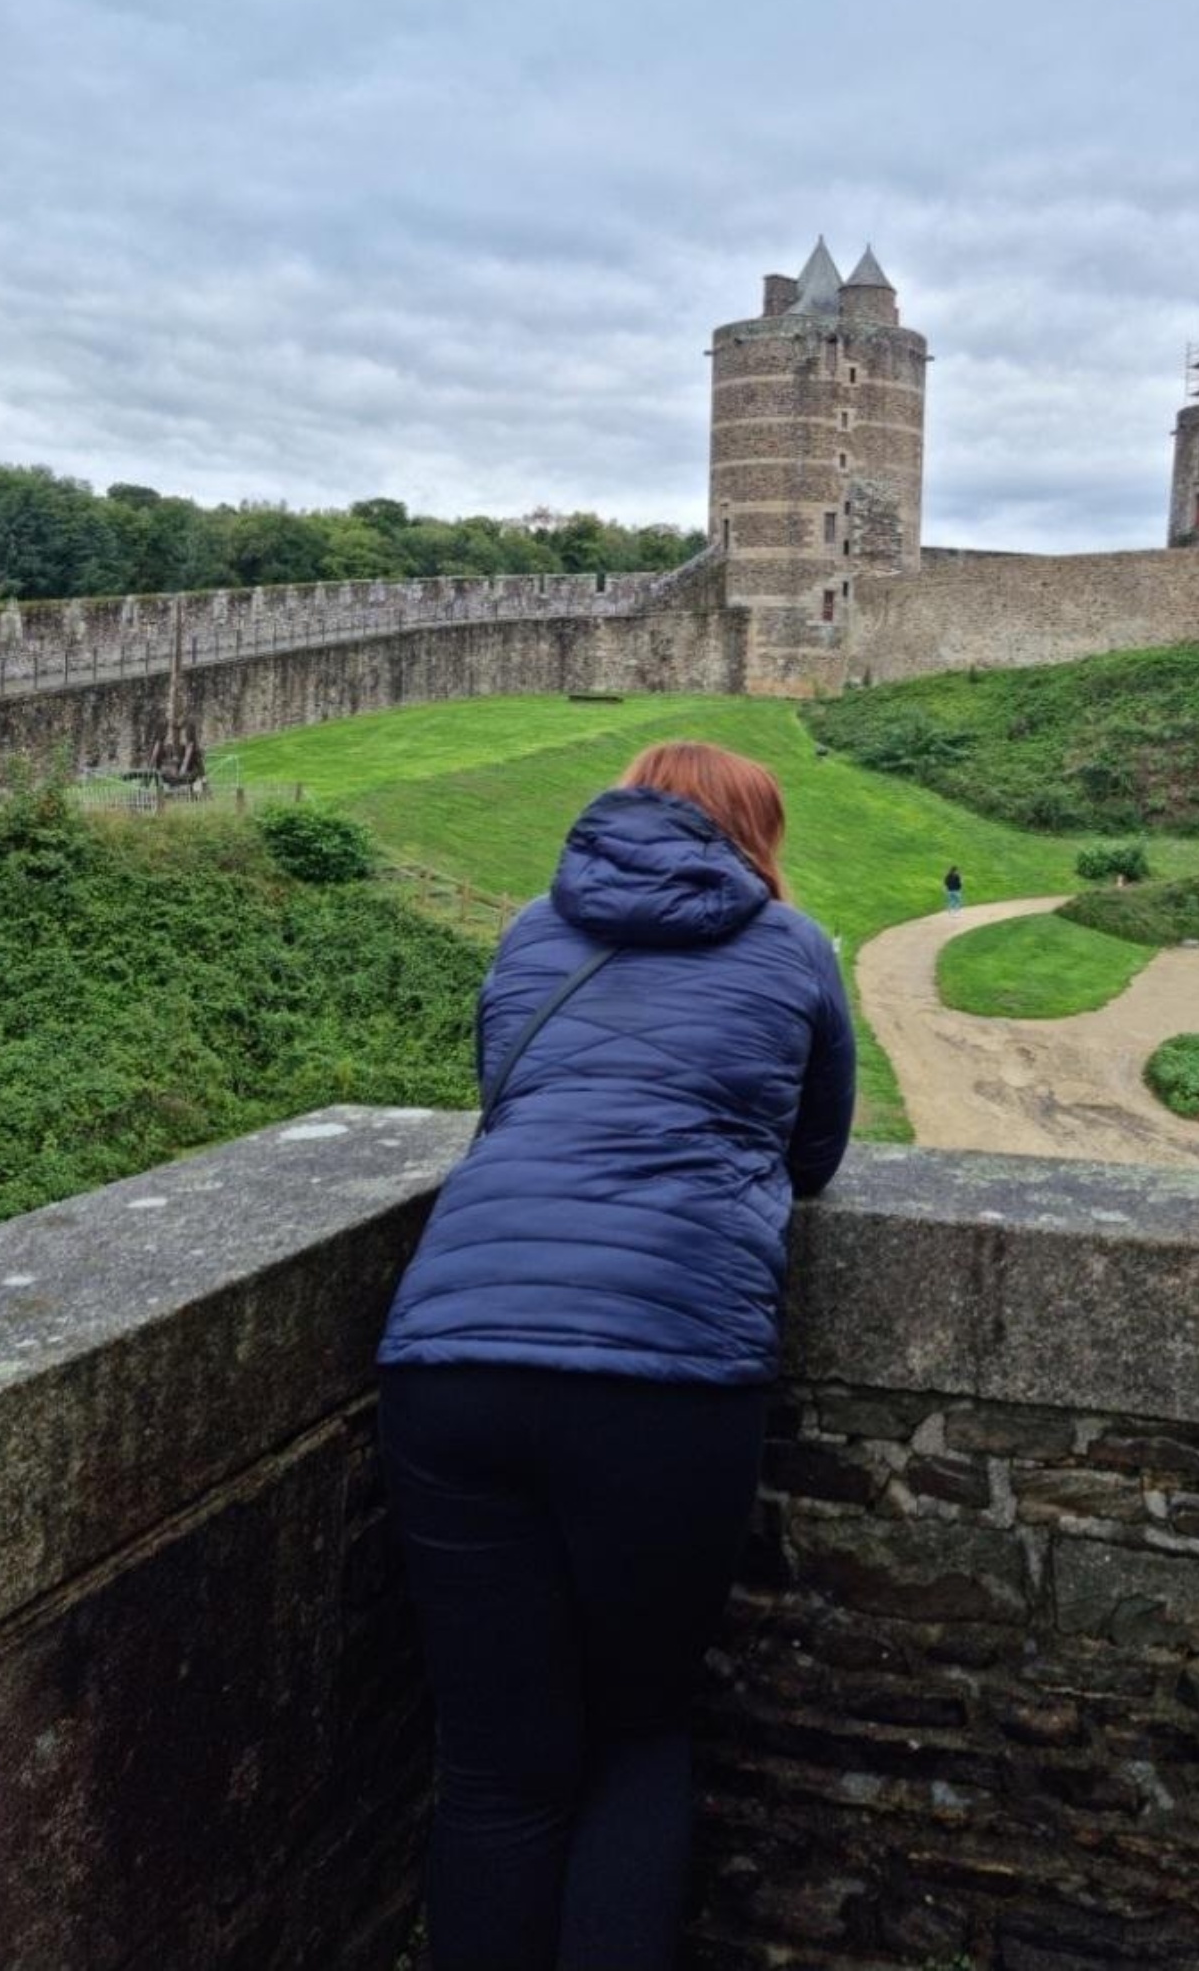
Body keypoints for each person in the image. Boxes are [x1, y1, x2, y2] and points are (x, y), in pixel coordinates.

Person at [377, 741, 856, 1971]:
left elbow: (506, 1094)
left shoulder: (538, 927)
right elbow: (816, 1153)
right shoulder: (793, 948)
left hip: (453, 1355)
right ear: (755, 835)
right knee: (639, 1729)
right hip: (664, 1366)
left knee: (495, 1764)